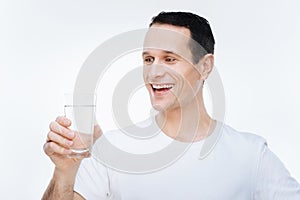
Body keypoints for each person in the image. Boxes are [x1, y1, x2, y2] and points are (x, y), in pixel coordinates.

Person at [42, 11, 300, 200]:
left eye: (169, 59)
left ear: (205, 66)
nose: (154, 72)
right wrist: (65, 170)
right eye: (148, 58)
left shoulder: (250, 154)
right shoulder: (112, 150)